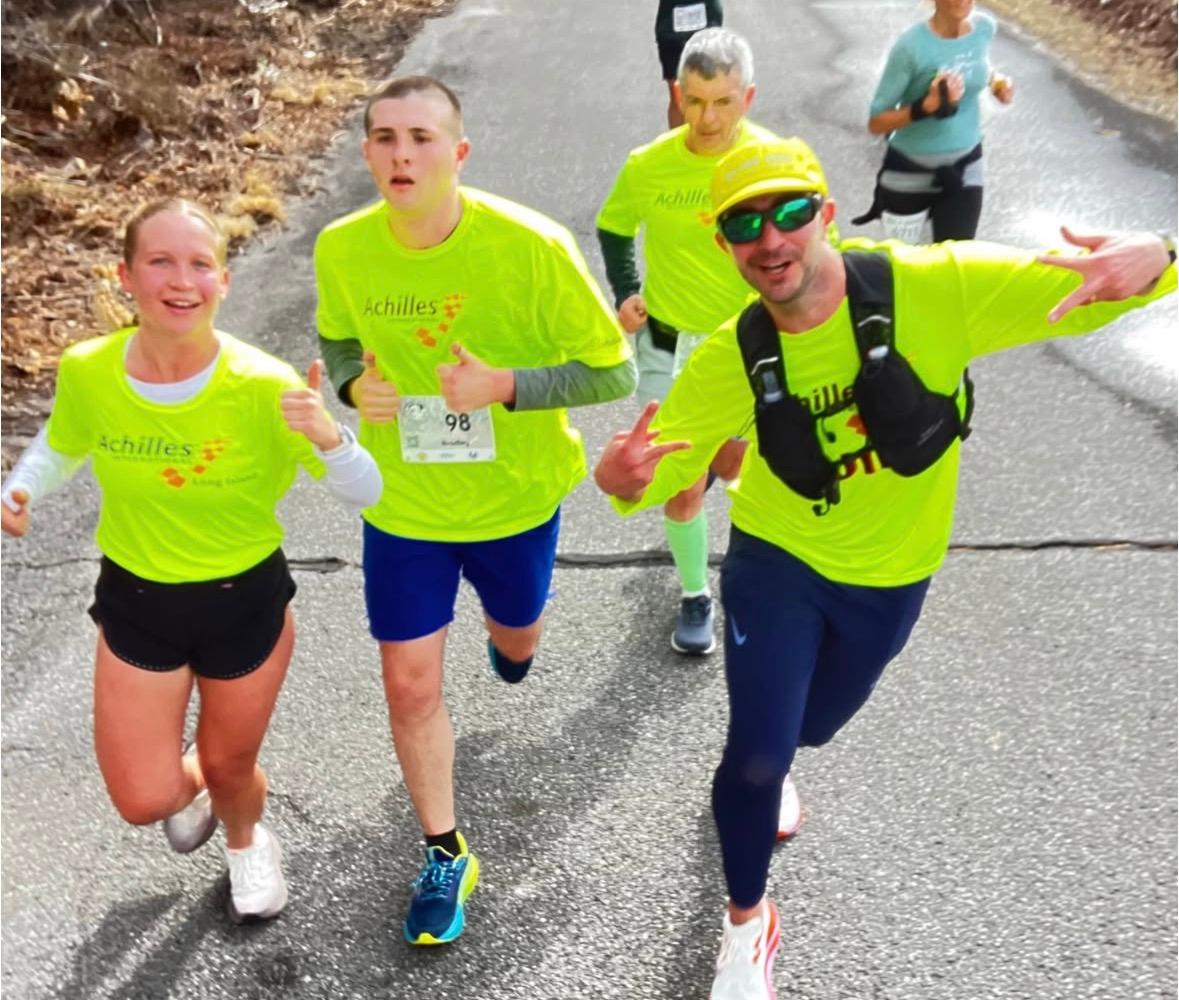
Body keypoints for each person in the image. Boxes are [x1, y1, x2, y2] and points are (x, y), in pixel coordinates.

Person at [593, 137, 1175, 999]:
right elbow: (655, 477)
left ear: (827, 215)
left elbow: (1103, 288)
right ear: (723, 244)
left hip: (892, 574)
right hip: (776, 562)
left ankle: (783, 749)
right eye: (744, 222)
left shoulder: (935, 287)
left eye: (790, 211)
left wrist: (1160, 251)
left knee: (810, 727)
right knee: (752, 761)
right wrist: (617, 480)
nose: (770, 237)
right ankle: (746, 925)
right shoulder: (731, 355)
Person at [313, 75, 634, 946]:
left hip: (513, 500)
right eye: (383, 138)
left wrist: (506, 387)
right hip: (404, 504)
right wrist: (352, 382)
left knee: (515, 635)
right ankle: (445, 853)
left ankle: (514, 637)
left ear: (457, 153)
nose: (400, 154)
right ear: (369, 153)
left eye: (420, 137)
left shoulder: (531, 247)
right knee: (408, 682)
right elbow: (339, 336)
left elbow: (614, 371)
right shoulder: (342, 248)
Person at [0, 198, 382, 925]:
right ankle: (202, 788)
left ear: (224, 281)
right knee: (144, 797)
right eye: (161, 262)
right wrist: (19, 487)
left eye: (200, 263)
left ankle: (246, 840)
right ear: (126, 276)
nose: (182, 280)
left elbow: (365, 494)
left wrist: (333, 438)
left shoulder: (264, 384)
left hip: (243, 601)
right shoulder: (90, 369)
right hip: (138, 600)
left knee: (232, 763)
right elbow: (63, 441)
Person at [597, 27, 766, 656]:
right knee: (683, 480)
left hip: (751, 346)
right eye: (695, 101)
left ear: (748, 96)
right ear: (678, 93)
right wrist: (624, 289)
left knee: (740, 468)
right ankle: (697, 595)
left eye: (723, 101)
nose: (708, 117)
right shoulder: (650, 164)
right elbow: (614, 227)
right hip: (669, 345)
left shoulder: (770, 162)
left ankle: (761, 576)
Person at [854, 0, 1014, 243]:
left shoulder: (984, 28)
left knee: (957, 266)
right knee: (903, 269)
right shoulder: (910, 47)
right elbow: (876, 122)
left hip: (966, 167)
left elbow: (977, 65)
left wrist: (996, 81)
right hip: (908, 173)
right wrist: (923, 108)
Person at [655, 0, 724, 129]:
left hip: (705, 21)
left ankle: (708, 139)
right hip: (672, 27)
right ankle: (678, 144)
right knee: (677, 94)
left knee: (708, 90)